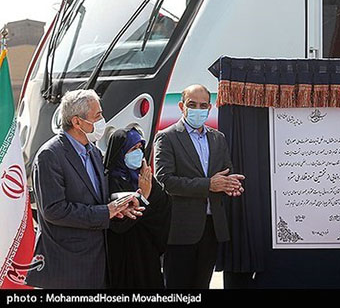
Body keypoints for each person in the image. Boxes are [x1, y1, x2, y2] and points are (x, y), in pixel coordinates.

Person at [27, 89, 142, 289]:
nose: (102, 121)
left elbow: (96, 198)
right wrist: (106, 211)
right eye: (97, 116)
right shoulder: (50, 156)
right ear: (77, 122)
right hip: (68, 266)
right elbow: (53, 210)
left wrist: (118, 206)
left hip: (97, 262)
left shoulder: (94, 152)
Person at [155, 84, 245, 289]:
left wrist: (231, 185)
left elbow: (226, 171)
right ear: (181, 106)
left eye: (203, 105)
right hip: (181, 230)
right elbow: (165, 181)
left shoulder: (218, 138)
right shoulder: (167, 137)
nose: (198, 109)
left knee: (202, 284)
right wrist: (209, 185)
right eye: (192, 104)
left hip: (212, 227)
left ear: (209, 108)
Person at [105, 127, 171, 289]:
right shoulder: (109, 181)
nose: (139, 153)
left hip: (147, 253)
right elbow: (119, 223)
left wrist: (146, 195)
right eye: (133, 148)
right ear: (120, 152)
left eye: (140, 148)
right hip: (122, 256)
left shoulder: (145, 178)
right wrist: (143, 197)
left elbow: (164, 208)